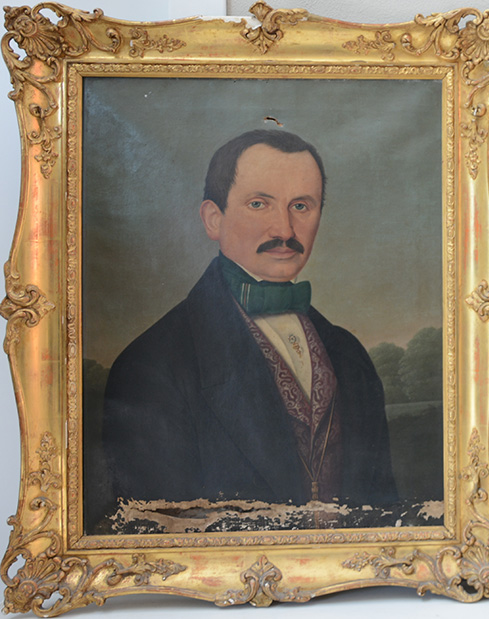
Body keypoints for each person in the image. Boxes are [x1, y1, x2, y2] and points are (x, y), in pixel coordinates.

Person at [102, 129, 397, 512]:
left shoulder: (349, 354)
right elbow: (161, 535)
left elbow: (386, 514)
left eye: (301, 206)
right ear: (213, 219)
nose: (285, 230)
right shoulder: (151, 366)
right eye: (259, 204)